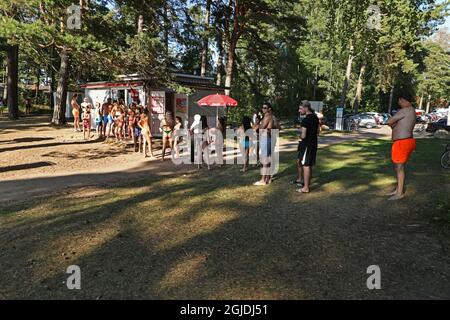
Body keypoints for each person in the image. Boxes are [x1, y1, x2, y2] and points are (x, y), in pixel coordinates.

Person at [386, 93, 417, 201]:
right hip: (406, 141)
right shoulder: (411, 110)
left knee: (399, 167)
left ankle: (399, 193)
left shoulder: (405, 110)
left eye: (399, 101)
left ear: (403, 100)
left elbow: (389, 121)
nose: (399, 103)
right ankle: (398, 189)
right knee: (398, 166)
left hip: (402, 142)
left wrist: (393, 124)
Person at [296, 100, 320, 194]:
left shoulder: (305, 120)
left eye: (300, 108)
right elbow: (318, 131)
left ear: (306, 108)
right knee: (309, 165)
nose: (299, 110)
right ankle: (307, 184)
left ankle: (305, 188)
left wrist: (299, 134)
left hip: (307, 144)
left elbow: (303, 136)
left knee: (305, 165)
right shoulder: (315, 117)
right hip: (314, 143)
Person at [254, 103, 274, 186]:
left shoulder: (267, 116)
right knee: (267, 159)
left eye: (265, 108)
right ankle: (268, 178)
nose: (263, 109)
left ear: (269, 108)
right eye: (262, 107)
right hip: (267, 138)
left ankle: (263, 180)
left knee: (264, 159)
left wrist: (258, 127)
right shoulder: (269, 116)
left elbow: (261, 127)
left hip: (265, 138)